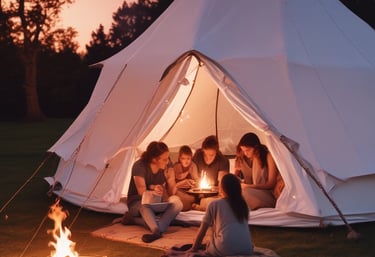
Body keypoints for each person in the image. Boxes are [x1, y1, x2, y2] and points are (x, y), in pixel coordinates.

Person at [120, 141, 183, 243]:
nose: (167, 162)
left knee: (177, 203)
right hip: (138, 203)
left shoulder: (167, 165)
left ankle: (139, 222)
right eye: (164, 159)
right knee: (145, 204)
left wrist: (171, 179)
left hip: (158, 202)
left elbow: (172, 193)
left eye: (168, 158)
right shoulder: (139, 166)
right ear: (154, 159)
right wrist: (153, 189)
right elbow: (142, 192)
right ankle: (157, 229)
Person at [188, 173, 254, 256]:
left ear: (222, 188)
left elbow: (202, 230)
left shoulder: (215, 204)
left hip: (224, 249)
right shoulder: (244, 205)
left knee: (210, 241)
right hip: (247, 249)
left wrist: (193, 248)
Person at [236, 132, 284, 210]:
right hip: (258, 192)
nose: (245, 153)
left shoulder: (269, 156)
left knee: (245, 193)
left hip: (270, 194)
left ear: (256, 147)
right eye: (243, 151)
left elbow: (271, 184)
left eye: (248, 150)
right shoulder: (253, 159)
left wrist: (249, 186)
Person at [192, 135, 229, 211]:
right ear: (203, 150)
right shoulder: (197, 156)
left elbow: (221, 184)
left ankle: (203, 206)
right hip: (197, 192)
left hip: (214, 193)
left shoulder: (222, 160)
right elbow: (193, 176)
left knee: (219, 201)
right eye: (206, 155)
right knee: (187, 201)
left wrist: (216, 189)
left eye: (211, 155)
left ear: (216, 152)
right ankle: (203, 205)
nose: (208, 158)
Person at [173, 145, 199, 211]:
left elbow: (196, 179)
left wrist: (194, 182)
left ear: (191, 158)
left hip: (190, 190)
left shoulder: (193, 165)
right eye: (183, 158)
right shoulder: (177, 166)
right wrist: (187, 172)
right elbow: (179, 176)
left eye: (188, 158)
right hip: (179, 189)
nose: (186, 161)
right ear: (180, 158)